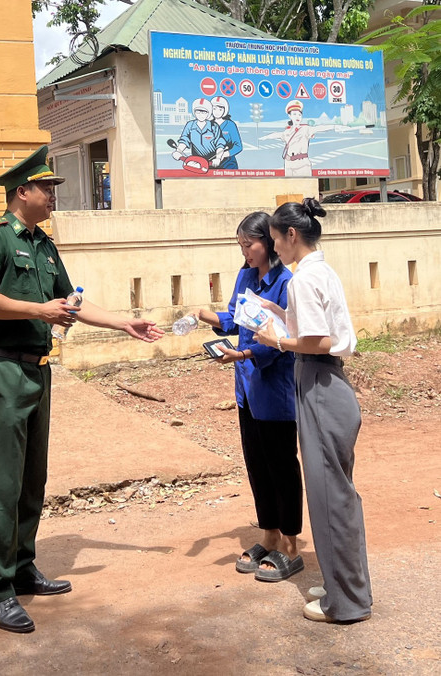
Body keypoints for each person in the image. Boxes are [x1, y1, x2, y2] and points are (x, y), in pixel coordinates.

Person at [0, 145, 164, 633]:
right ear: (22, 191)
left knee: (33, 477)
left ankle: (21, 566)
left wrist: (122, 323)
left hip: (38, 369)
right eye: (47, 188)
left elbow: (69, 301)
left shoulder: (44, 245)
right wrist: (39, 311)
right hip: (2, 369)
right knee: (3, 482)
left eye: (53, 188)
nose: (54, 196)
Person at [254, 198, 372, 623]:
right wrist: (280, 313)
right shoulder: (321, 271)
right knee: (337, 493)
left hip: (319, 382)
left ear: (291, 235)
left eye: (275, 239)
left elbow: (319, 341)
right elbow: (320, 328)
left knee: (330, 498)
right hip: (328, 382)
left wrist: (275, 340)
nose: (274, 248)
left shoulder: (303, 278)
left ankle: (347, 602)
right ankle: (346, 585)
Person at [195, 212, 301, 581]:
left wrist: (242, 354)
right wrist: (207, 317)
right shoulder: (245, 276)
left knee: (281, 466)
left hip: (275, 389)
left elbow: (281, 340)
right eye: (240, 245)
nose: (245, 251)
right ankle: (269, 534)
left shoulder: (285, 283)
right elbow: (236, 318)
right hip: (246, 389)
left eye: (249, 244)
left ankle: (291, 544)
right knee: (257, 463)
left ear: (269, 242)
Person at [261, 101, 339, 177]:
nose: (297, 116)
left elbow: (319, 128)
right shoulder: (287, 132)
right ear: (290, 116)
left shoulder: (306, 129)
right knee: (289, 185)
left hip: (302, 164)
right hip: (288, 163)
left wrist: (334, 126)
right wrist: (266, 137)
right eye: (294, 114)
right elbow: (278, 135)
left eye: (299, 114)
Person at [173, 98, 227, 168]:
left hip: (212, 161)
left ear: (208, 113)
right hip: (196, 162)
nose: (201, 115)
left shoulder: (213, 126)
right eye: (198, 112)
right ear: (194, 112)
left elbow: (220, 143)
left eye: (204, 112)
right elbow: (185, 140)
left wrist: (218, 158)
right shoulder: (190, 125)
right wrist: (178, 151)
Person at [210, 96, 242, 169]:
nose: (217, 112)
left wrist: (223, 155)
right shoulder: (208, 124)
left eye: (220, 109)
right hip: (210, 162)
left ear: (225, 110)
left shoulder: (230, 125)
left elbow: (238, 146)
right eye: (214, 109)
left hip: (228, 162)